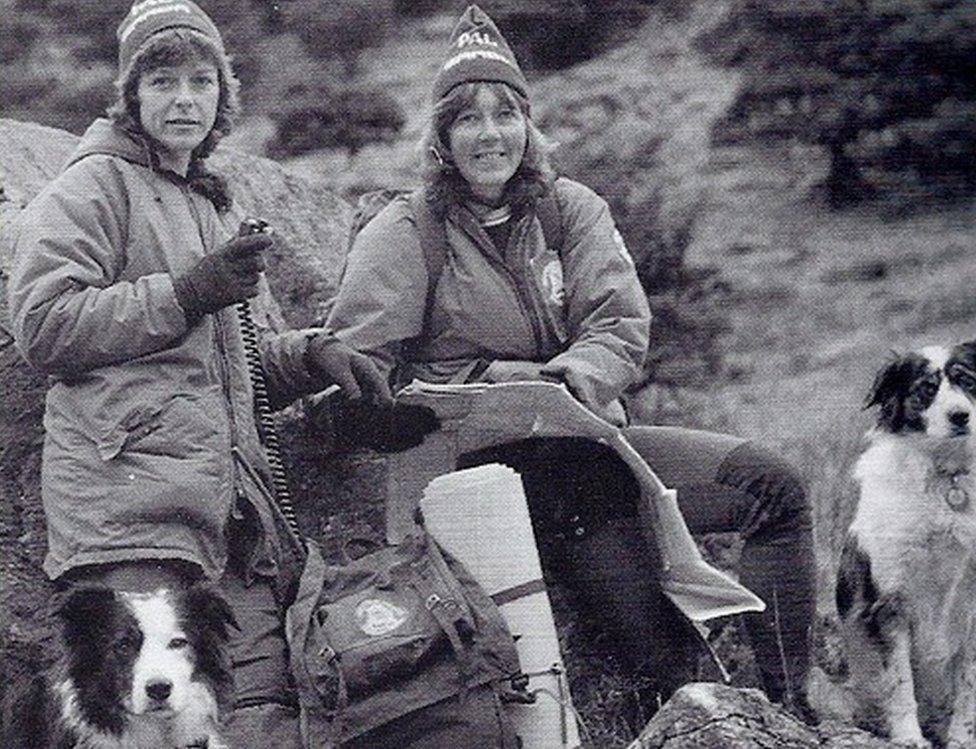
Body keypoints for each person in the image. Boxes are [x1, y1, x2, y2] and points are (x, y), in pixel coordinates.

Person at [325, 4, 817, 727]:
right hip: (482, 475)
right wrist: (474, 386)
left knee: (774, 487)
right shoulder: (405, 232)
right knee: (664, 669)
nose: (490, 134)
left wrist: (568, 379)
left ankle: (787, 708)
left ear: (528, 123)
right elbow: (359, 367)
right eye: (467, 118)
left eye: (505, 114)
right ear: (441, 137)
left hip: (590, 442)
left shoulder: (569, 209)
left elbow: (618, 324)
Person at [8, 1, 433, 744]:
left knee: (256, 720)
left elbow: (230, 363)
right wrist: (188, 291)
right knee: (130, 731)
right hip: (126, 513)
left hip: (220, 520)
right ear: (131, 95)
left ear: (222, 97)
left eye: (201, 81)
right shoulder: (93, 187)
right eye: (162, 79)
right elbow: (43, 326)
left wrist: (311, 355)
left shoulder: (204, 202)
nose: (183, 98)